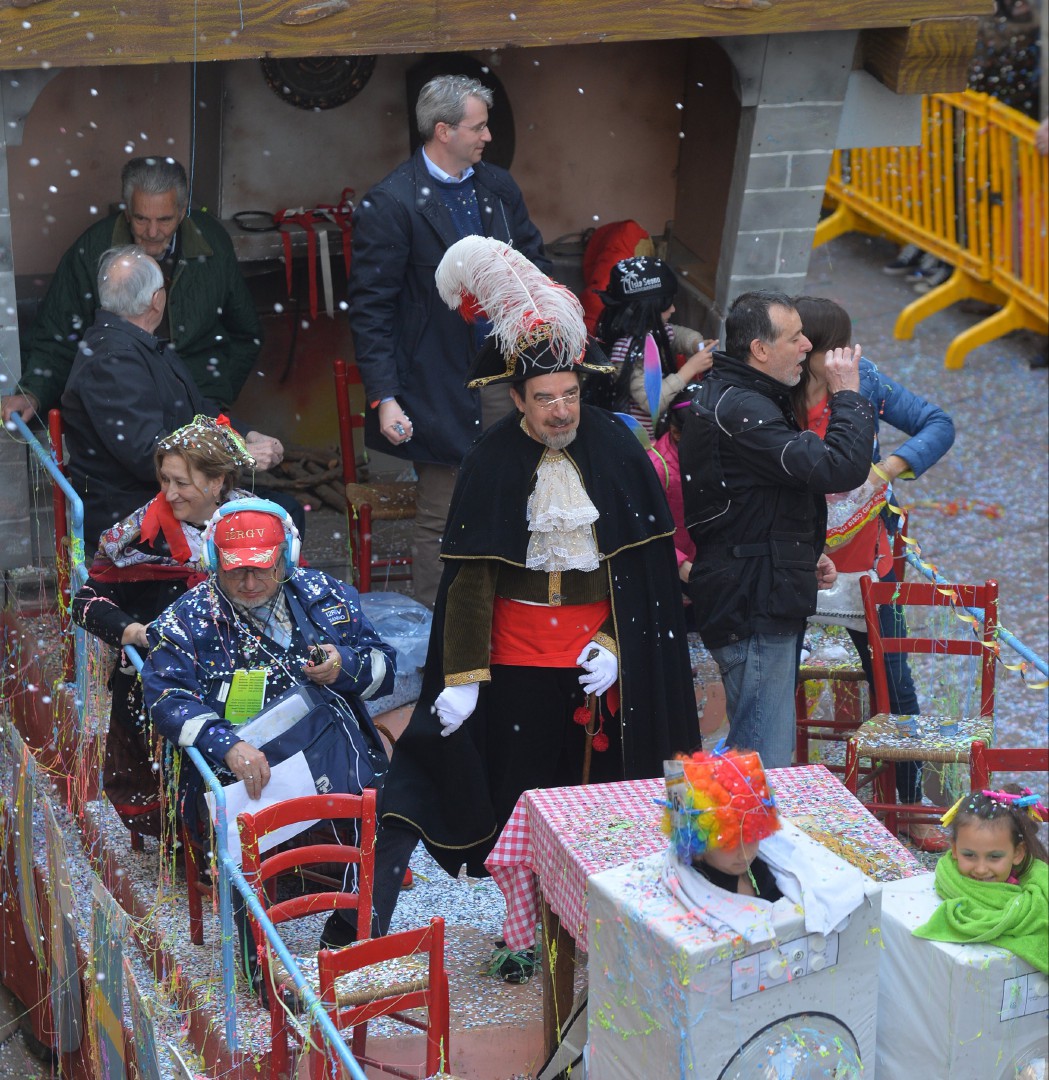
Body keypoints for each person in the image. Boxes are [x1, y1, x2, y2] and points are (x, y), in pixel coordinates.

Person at [330, 236, 698, 953]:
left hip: (593, 670)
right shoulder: (492, 461)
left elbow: (643, 579)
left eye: (568, 396)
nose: (560, 411)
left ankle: (592, 919)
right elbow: (471, 581)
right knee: (493, 792)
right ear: (517, 399)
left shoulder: (618, 453)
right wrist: (463, 679)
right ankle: (486, 920)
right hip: (510, 664)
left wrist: (618, 648)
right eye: (544, 400)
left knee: (586, 800)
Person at [347, 74, 549, 606]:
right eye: (477, 127)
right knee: (443, 516)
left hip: (508, 373)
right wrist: (384, 396)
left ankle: (507, 622)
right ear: (443, 131)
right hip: (437, 382)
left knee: (517, 503)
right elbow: (372, 309)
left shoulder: (498, 188)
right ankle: (437, 639)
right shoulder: (391, 203)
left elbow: (537, 266)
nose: (486, 137)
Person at [679, 291, 875, 769]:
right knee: (764, 761)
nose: (808, 345)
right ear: (760, 350)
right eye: (795, 337)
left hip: (759, 588)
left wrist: (803, 553)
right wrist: (847, 393)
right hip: (752, 602)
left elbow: (759, 500)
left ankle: (737, 840)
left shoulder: (747, 397)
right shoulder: (741, 408)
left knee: (759, 755)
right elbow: (836, 468)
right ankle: (746, 845)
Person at [792, 295, 956, 851]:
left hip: (869, 563)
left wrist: (885, 469)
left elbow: (938, 423)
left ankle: (907, 807)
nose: (847, 356)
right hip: (791, 561)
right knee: (775, 684)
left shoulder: (866, 381)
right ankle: (782, 805)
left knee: (896, 686)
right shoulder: (767, 389)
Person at [141, 499, 396, 836]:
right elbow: (167, 700)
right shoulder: (183, 621)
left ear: (285, 558)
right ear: (214, 561)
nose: (249, 583)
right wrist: (226, 745)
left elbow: (385, 671)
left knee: (396, 819)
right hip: (239, 776)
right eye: (236, 570)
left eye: (261, 568)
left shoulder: (326, 595)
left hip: (334, 759)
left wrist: (343, 666)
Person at [70, 417, 255, 837]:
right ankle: (189, 837)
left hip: (242, 671)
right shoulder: (140, 535)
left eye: (182, 483)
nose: (169, 494)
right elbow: (85, 603)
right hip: (163, 678)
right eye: (164, 479)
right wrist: (133, 631)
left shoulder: (253, 523)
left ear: (218, 481)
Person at [2, 156, 263, 424]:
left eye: (164, 219)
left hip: (198, 399)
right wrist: (33, 392)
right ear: (127, 211)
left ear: (183, 210)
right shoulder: (92, 250)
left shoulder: (213, 243)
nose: (152, 232)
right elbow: (55, 338)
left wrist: (217, 394)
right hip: (118, 402)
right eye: (140, 218)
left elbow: (246, 333)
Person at [58, 246, 283, 547]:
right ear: (156, 300)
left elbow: (195, 412)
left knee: (278, 511)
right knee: (277, 520)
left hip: (169, 495)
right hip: (135, 514)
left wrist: (246, 435)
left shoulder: (135, 345)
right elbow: (148, 453)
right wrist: (238, 455)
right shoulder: (113, 359)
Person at [914, 787, 1048, 973]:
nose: (981, 869)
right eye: (969, 855)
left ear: (1017, 853)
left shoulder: (1038, 893)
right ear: (954, 849)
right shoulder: (948, 879)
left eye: (994, 857)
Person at [593, 255, 714, 435]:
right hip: (640, 442)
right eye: (667, 305)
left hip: (659, 432)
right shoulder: (625, 350)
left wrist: (696, 343)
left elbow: (677, 334)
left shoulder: (652, 331)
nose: (673, 309)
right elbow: (651, 402)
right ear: (647, 309)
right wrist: (690, 368)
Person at [665, 747, 783, 900]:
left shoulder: (761, 871)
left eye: (751, 838)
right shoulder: (695, 890)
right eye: (729, 844)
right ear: (698, 847)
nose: (746, 855)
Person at [646, 387, 698, 588]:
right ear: (676, 433)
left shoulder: (709, 454)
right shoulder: (657, 467)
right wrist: (680, 563)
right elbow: (644, 524)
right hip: (671, 569)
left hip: (702, 564)